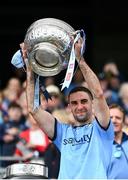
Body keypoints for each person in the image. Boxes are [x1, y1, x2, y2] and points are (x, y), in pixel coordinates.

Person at [21, 37, 114, 179]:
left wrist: (80, 60)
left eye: (84, 101)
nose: (80, 106)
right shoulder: (62, 132)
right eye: (75, 103)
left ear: (92, 104)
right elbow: (33, 109)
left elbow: (99, 94)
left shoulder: (102, 129)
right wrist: (29, 67)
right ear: (69, 106)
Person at [108, 104, 128, 179]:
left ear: (123, 122)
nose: (114, 121)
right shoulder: (100, 144)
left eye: (118, 118)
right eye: (110, 118)